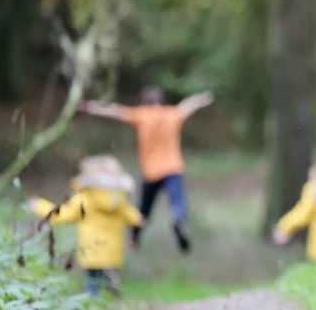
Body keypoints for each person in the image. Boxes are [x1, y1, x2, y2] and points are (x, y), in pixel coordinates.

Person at [77, 86, 214, 253]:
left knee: (144, 209)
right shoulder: (171, 114)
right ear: (160, 101)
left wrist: (91, 107)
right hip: (173, 168)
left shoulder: (142, 115)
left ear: (143, 102)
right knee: (177, 201)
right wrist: (203, 98)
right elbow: (187, 105)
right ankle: (178, 221)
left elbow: (116, 111)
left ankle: (135, 237)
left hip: (152, 172)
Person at [27, 155, 144, 297]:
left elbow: (62, 214)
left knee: (92, 280)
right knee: (104, 275)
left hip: (92, 248)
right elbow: (133, 217)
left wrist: (39, 206)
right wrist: (139, 220)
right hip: (112, 249)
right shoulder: (118, 199)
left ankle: (94, 301)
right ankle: (110, 291)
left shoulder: (85, 197)